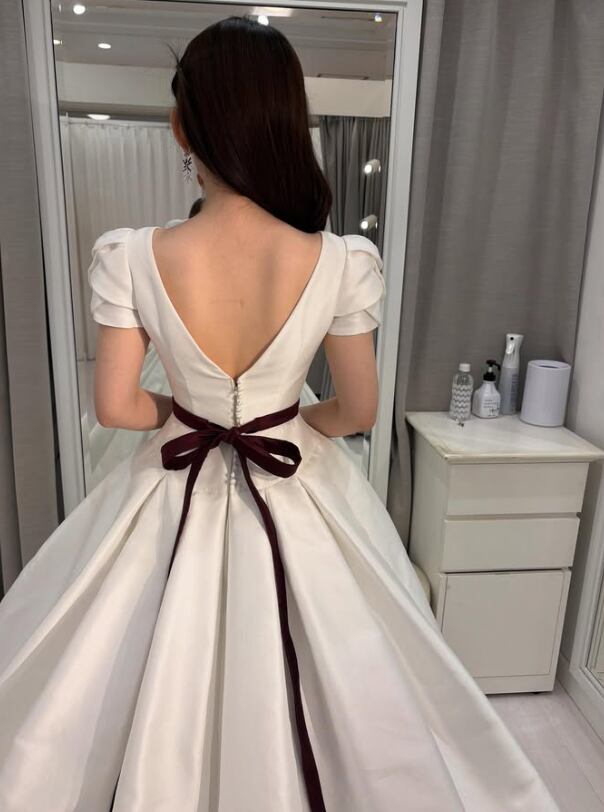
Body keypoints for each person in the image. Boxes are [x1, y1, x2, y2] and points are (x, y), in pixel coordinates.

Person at [0, 16, 559, 812]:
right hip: (298, 481)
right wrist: (292, 426)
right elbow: (358, 408)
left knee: (98, 677)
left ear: (186, 126)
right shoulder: (339, 260)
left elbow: (116, 407)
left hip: (171, 482)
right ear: (284, 120)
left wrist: (180, 412)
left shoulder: (131, 255)